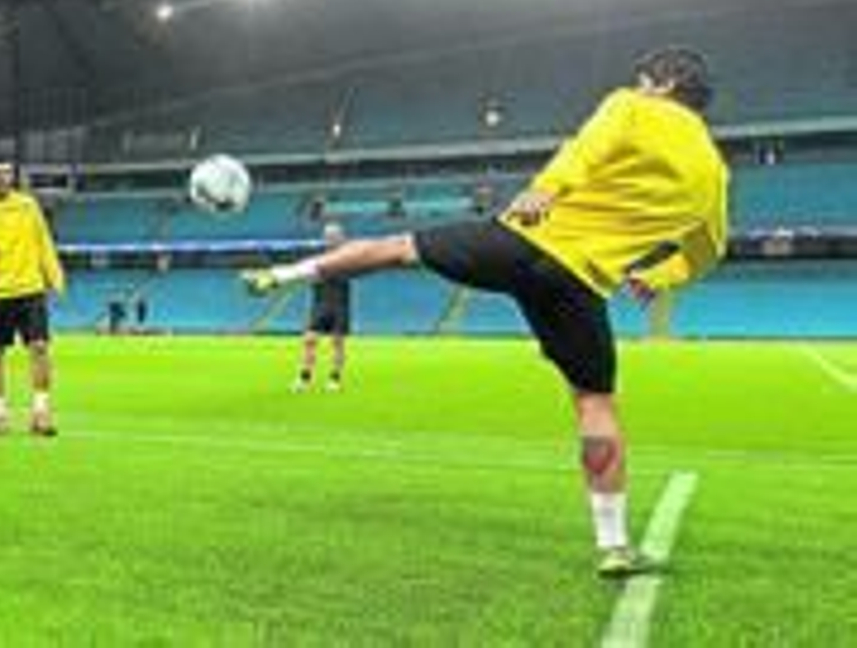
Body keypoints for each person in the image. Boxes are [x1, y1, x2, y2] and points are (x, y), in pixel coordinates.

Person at [243, 47, 728, 579]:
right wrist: (658, 277)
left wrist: (545, 188)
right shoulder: (714, 175)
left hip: (521, 241)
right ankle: (613, 545)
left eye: (644, 79)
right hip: (580, 283)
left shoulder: (634, 106)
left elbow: (588, 147)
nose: (637, 85)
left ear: (666, 82)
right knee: (594, 403)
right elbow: (709, 250)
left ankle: (283, 275)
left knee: (398, 247)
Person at [0, 161, 66, 436]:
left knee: (40, 347)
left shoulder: (28, 206)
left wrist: (55, 277)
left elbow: (44, 242)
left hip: (31, 288)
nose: (2, 177)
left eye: (7, 172)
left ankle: (41, 413)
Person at [291, 223, 352, 393]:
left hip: (339, 305)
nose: (330, 238)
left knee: (337, 343)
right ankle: (305, 378)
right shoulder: (319, 258)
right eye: (328, 235)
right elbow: (309, 276)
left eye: (334, 235)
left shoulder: (348, 257)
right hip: (319, 304)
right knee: (309, 340)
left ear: (342, 237)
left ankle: (335, 379)